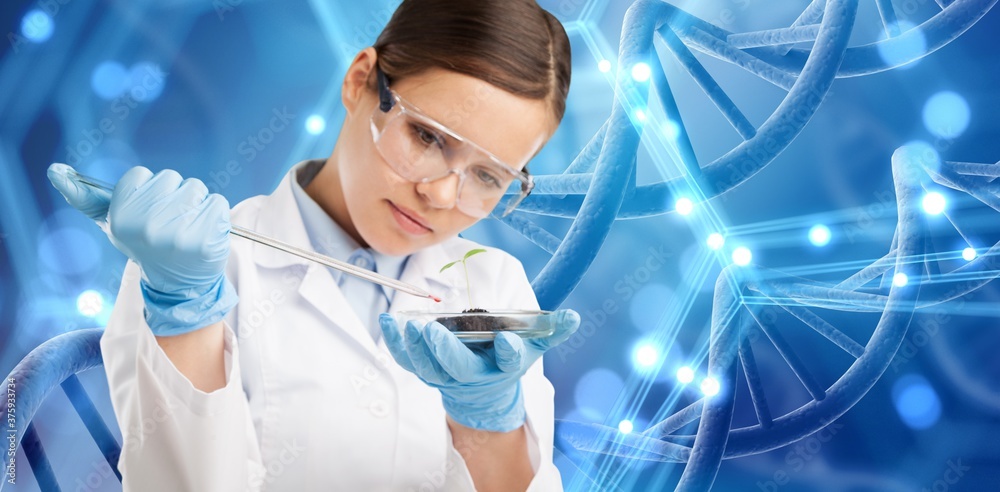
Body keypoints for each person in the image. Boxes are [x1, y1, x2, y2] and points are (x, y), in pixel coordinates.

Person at [47, 0, 580, 490]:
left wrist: (486, 424)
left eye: (488, 176)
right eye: (426, 137)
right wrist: (186, 317)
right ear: (360, 81)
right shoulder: (190, 269)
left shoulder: (493, 285)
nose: (440, 195)